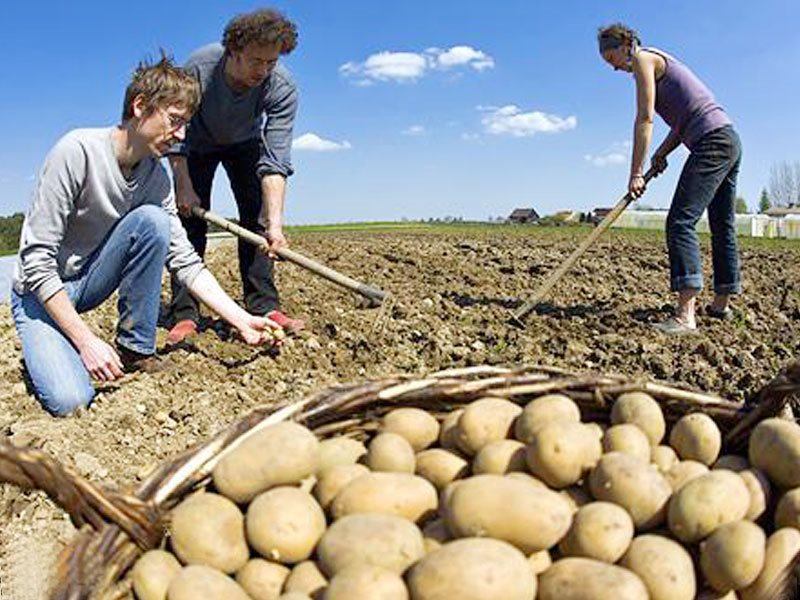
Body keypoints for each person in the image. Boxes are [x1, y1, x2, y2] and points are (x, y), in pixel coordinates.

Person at [11, 55, 283, 416]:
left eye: (186, 124)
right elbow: (36, 261)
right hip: (37, 294)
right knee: (71, 400)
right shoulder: (76, 152)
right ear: (140, 106)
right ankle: (46, 341)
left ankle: (135, 348)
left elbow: (184, 259)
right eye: (174, 121)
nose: (181, 135)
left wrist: (241, 318)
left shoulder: (155, 178)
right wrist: (85, 341)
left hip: (88, 280)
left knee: (153, 221)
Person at [165, 7, 304, 345]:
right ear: (233, 51)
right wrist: (183, 184)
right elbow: (174, 127)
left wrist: (275, 224)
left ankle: (264, 305)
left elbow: (275, 159)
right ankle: (185, 312)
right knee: (188, 222)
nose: (264, 70)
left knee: (256, 221)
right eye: (257, 61)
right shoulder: (199, 69)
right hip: (195, 141)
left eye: (271, 62)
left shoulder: (281, 87)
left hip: (245, 143)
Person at [598, 23, 742, 334]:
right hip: (727, 138)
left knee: (680, 221)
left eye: (612, 58)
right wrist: (661, 153)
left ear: (625, 45)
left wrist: (636, 172)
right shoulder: (662, 62)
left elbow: (645, 117)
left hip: (711, 142)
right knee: (722, 224)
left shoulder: (642, 60)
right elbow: (684, 119)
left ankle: (685, 316)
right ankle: (721, 306)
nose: (614, 68)